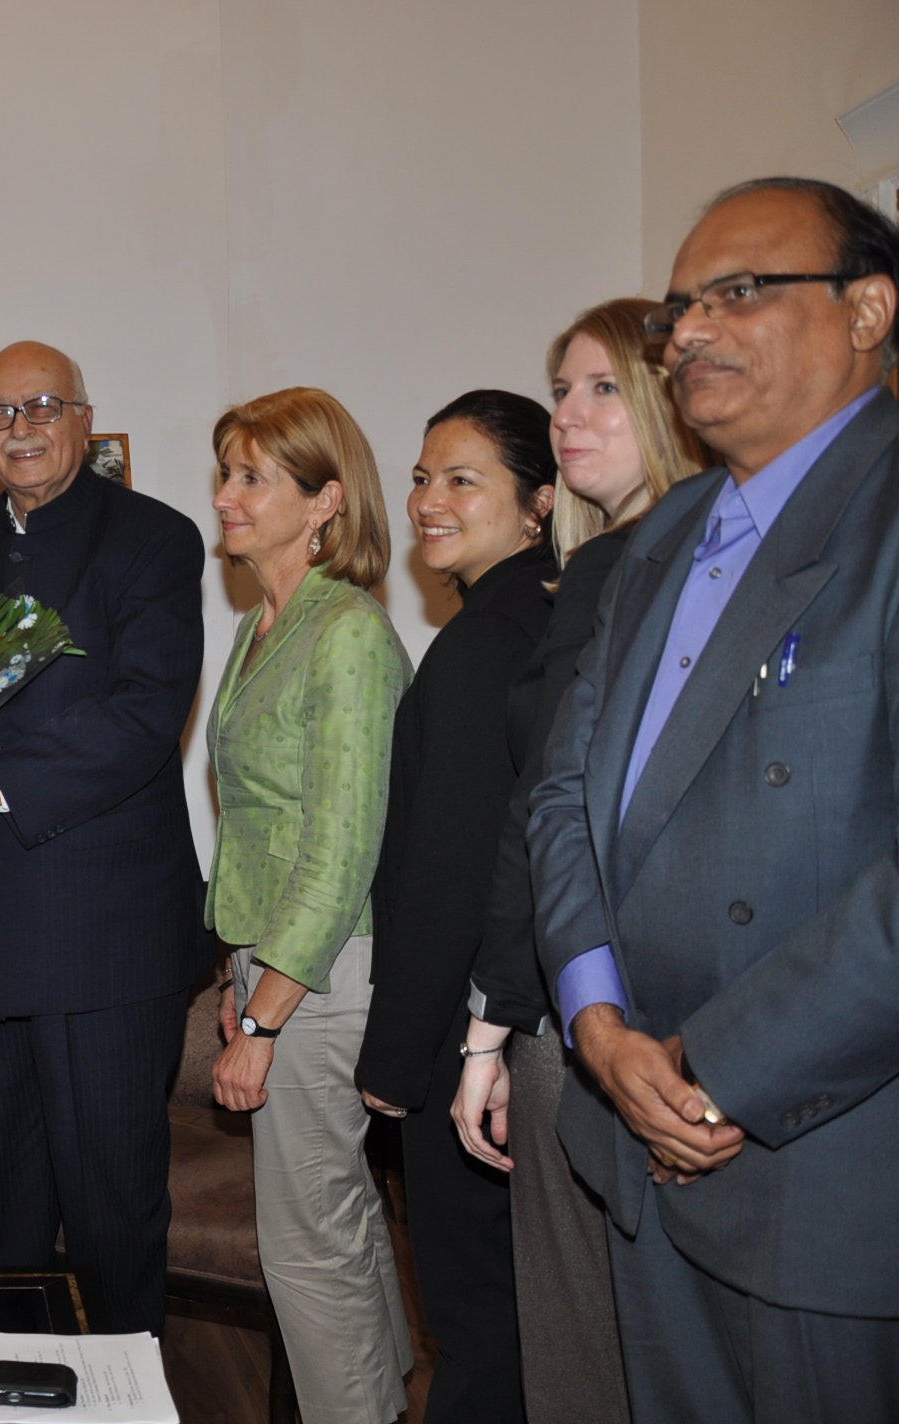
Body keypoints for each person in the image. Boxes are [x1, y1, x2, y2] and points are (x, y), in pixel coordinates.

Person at [527, 177, 899, 1419]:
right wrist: (593, 1020)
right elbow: (564, 794)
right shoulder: (660, 534)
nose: (686, 328)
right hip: (637, 1144)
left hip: (817, 1170)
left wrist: (710, 1071)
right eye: (679, 306)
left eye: (736, 292)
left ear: (866, 309)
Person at [0, 342, 208, 1336]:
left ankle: (121, 1397)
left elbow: (146, 717)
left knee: (109, 1209)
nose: (17, 427)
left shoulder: (152, 537)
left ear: (83, 419)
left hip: (107, 937)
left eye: (39, 406)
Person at [451, 298, 703, 1424]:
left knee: (585, 1354)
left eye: (600, 387)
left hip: (593, 1009)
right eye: (557, 389)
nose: (566, 415)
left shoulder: (625, 567)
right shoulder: (628, 560)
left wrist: (486, 1025)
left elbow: (542, 817)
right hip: (634, 1002)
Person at [206, 387, 414, 1421]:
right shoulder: (259, 623)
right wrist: (230, 973)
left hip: (326, 973)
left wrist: (263, 1014)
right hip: (278, 965)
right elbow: (259, 826)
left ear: (325, 500)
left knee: (304, 1244)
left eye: (253, 477)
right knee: (333, 1222)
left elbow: (341, 847)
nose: (225, 496)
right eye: (226, 473)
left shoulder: (346, 633)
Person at [353, 391, 559, 1422]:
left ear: (538, 501)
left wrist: (391, 1063)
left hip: (468, 1034)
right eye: (423, 475)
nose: (429, 499)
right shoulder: (548, 615)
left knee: (477, 1326)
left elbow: (447, 871)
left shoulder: (485, 643)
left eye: (461, 477)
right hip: (529, 1018)